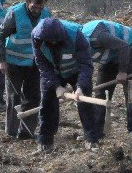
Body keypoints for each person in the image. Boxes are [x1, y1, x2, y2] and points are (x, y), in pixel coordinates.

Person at [32, 18, 97, 152]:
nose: (52, 44)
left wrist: (80, 87)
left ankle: (91, 139)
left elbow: (86, 64)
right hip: (52, 72)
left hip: (76, 70)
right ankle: (45, 141)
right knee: (47, 104)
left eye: (54, 41)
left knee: (85, 103)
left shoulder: (76, 35)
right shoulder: (37, 36)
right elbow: (42, 64)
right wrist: (56, 86)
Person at [0, 0, 50, 139]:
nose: (37, 11)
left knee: (33, 97)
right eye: (34, 7)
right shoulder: (14, 13)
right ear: (28, 3)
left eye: (40, 8)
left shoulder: (46, 14)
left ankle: (27, 132)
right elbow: (0, 36)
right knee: (14, 96)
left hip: (34, 63)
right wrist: (1, 60)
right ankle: (11, 132)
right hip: (14, 62)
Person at [81, 19, 132, 137]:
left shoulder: (97, 36)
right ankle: (97, 131)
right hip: (109, 55)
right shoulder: (77, 44)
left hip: (129, 47)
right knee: (100, 93)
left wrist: (122, 71)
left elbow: (123, 46)